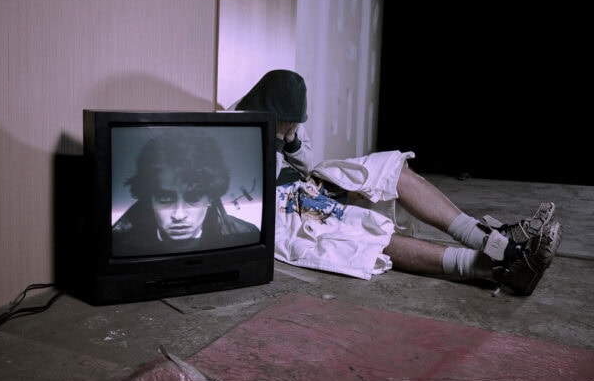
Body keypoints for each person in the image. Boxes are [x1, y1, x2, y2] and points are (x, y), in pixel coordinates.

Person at [232, 69, 562, 296]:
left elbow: (308, 162)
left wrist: (290, 140)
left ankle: (490, 237)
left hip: (311, 183)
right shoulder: (234, 126)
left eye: (295, 121)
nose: (293, 125)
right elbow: (254, 187)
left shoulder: (288, 119)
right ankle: (500, 266)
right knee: (364, 231)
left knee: (391, 169)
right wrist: (276, 140)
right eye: (288, 121)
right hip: (279, 205)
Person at [112, 127, 260, 255]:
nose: (179, 215)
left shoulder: (245, 234)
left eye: (194, 197)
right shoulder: (118, 242)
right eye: (165, 198)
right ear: (149, 199)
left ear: (211, 197)